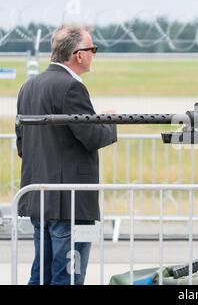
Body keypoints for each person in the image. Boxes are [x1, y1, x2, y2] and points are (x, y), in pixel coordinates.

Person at [15, 24, 117, 285]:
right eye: (92, 48)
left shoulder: (29, 86)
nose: (94, 53)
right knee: (68, 276)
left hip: (39, 198)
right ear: (78, 54)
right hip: (70, 203)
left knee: (42, 274)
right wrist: (108, 121)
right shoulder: (72, 88)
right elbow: (92, 137)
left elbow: (22, 146)